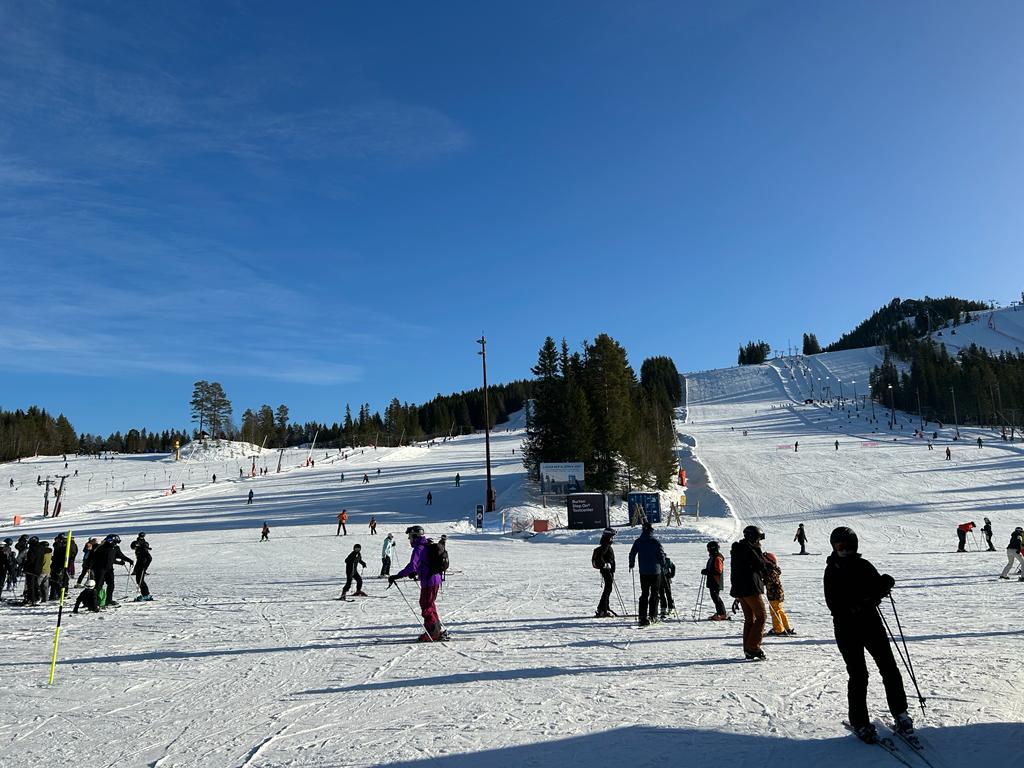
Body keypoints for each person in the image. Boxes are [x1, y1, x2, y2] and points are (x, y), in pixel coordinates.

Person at [824, 526, 914, 744]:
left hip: (871, 625)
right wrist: (862, 602)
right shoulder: (832, 570)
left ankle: (900, 713)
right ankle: (860, 722)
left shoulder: (863, 565)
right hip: (847, 629)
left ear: (853, 545)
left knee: (889, 668)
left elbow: (875, 590)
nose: (842, 549)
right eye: (838, 545)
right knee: (858, 675)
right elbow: (834, 605)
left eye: (845, 545)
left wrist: (883, 586)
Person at [389, 526, 446, 641]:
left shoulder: (419, 548)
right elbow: (423, 563)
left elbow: (412, 565)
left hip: (429, 581)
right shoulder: (426, 545)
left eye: (410, 537)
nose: (409, 540)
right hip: (434, 579)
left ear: (415, 536)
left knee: (426, 605)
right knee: (429, 604)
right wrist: (416, 572)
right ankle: (437, 630)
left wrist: (398, 575)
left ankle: (433, 632)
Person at [730, 525, 768, 660]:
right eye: (758, 539)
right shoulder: (749, 549)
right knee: (761, 616)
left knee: (750, 619)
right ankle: (753, 647)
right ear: (753, 538)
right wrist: (758, 551)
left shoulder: (738, 548)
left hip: (740, 590)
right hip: (750, 588)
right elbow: (761, 566)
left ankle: (748, 648)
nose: (760, 542)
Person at [628, 522, 666, 626]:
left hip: (643, 572)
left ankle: (642, 616)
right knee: (654, 594)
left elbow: (632, 553)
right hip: (655, 571)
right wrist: (663, 564)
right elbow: (661, 554)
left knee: (644, 593)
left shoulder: (638, 541)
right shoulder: (655, 542)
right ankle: (653, 616)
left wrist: (631, 564)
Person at [90, 535, 133, 607]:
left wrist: (129, 560)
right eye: (115, 542)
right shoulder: (101, 547)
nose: (115, 544)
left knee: (111, 584)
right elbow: (94, 557)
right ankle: (95, 601)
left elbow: (120, 556)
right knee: (99, 585)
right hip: (99, 569)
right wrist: (90, 566)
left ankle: (108, 600)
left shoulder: (115, 548)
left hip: (109, 569)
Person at [763, 552, 794, 636]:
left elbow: (770, 580)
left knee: (775, 611)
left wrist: (762, 581)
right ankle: (785, 627)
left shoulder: (770, 570)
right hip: (779, 593)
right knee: (779, 610)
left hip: (774, 594)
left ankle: (779, 629)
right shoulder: (774, 568)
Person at [592, 527, 616, 618]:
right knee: (608, 589)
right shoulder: (605, 545)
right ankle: (602, 609)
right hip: (607, 571)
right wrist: (605, 565)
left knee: (608, 589)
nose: (613, 538)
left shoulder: (605, 544)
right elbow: (599, 558)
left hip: (607, 571)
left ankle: (605, 607)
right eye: (612, 536)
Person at [702, 541, 728, 620]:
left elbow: (718, 571)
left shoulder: (717, 558)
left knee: (716, 598)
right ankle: (720, 612)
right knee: (715, 598)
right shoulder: (713, 557)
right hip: (712, 581)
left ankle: (722, 614)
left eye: (709, 548)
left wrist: (708, 571)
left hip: (716, 581)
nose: (708, 550)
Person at [130, 533, 153, 601]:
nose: (135, 549)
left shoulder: (143, 550)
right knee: (139, 580)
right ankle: (146, 594)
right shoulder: (140, 547)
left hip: (142, 566)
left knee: (140, 581)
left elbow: (149, 558)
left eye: (135, 548)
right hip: (140, 566)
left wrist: (145, 567)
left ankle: (146, 595)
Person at [659, 555, 676, 620]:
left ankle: (671, 607)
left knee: (668, 593)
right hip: (659, 579)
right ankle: (663, 608)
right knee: (661, 594)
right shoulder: (656, 559)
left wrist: (671, 575)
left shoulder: (667, 560)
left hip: (666, 578)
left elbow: (673, 566)